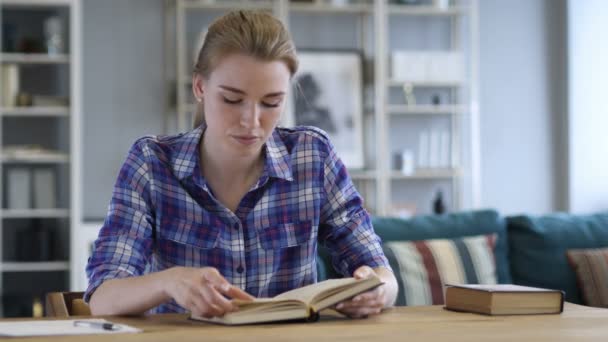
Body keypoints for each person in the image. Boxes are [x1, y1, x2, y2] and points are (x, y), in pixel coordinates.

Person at [85, 10, 397, 319]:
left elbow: (380, 271)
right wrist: (170, 281)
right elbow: (103, 297)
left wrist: (377, 290)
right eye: (232, 100)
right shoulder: (151, 164)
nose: (251, 121)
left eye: (271, 102)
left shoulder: (313, 156)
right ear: (200, 87)